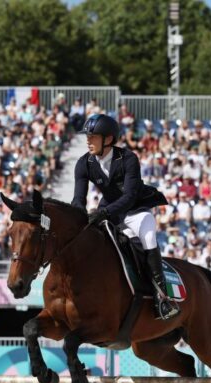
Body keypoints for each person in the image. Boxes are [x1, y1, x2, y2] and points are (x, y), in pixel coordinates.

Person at [71, 113, 177, 320]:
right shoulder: (84, 163)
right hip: (110, 213)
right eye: (88, 137)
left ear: (108, 139)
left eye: (93, 137)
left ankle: (162, 297)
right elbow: (78, 200)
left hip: (136, 210)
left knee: (147, 238)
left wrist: (103, 212)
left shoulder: (128, 158)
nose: (88, 141)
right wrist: (78, 218)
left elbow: (129, 197)